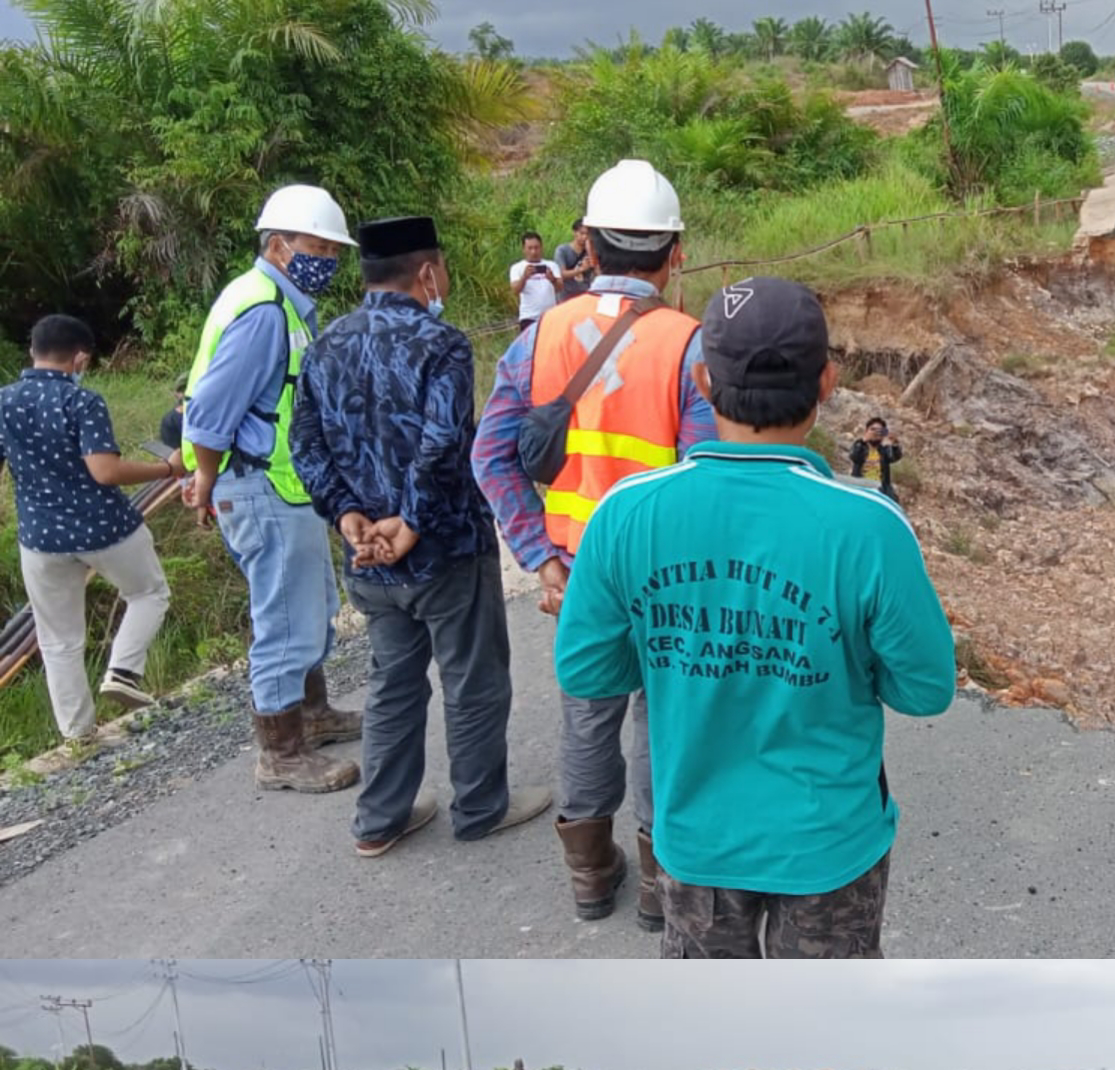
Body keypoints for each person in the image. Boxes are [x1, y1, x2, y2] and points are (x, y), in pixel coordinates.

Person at [552, 278, 956, 959]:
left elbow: (588, 669)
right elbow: (926, 688)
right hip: (830, 844)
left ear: (705, 382)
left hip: (696, 841)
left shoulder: (626, 512)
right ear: (826, 382)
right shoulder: (868, 526)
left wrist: (680, 647)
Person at [472, 159, 716, 930]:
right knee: (658, 718)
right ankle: (654, 883)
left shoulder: (538, 338)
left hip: (578, 572)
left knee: (587, 712)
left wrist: (540, 554)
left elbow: (492, 453)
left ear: (588, 245)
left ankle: (588, 873)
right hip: (667, 577)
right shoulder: (690, 345)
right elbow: (707, 478)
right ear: (675, 253)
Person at [291, 215, 549, 858]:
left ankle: (381, 817)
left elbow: (307, 446)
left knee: (392, 680)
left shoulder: (324, 346)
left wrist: (348, 516)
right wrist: (410, 521)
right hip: (445, 547)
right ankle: (481, 805)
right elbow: (443, 443)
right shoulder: (443, 343)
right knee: (473, 678)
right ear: (428, 271)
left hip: (368, 557)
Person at [182, 183, 362, 796]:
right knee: (285, 617)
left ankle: (311, 714)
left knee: (309, 604)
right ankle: (280, 753)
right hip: (258, 484)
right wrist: (205, 478)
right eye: (318, 246)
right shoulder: (263, 313)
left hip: (283, 484)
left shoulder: (277, 303)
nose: (329, 260)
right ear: (280, 245)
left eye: (335, 250)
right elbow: (207, 410)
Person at [0, 314, 180, 741]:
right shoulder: (83, 402)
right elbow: (104, 470)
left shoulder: (3, 401)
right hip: (104, 527)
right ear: (80, 358)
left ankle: (78, 734)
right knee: (149, 592)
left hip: (40, 539)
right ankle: (122, 671)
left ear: (33, 351)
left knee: (58, 638)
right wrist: (165, 468)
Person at [510, 231, 561, 334]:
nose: (533, 251)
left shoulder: (552, 265)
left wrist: (552, 279)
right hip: (529, 316)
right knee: (530, 348)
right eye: (530, 248)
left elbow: (560, 287)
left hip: (550, 316)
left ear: (541, 248)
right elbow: (515, 290)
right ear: (524, 249)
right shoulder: (517, 268)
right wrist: (524, 277)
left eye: (536, 247)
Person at [848, 416, 903, 500]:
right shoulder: (860, 446)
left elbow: (895, 457)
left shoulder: (885, 451)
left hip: (880, 491)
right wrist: (864, 440)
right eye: (872, 429)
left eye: (879, 431)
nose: (875, 433)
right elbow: (854, 456)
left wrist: (894, 443)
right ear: (866, 431)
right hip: (860, 489)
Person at [555, 219, 594, 299]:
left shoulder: (591, 251)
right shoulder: (562, 250)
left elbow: (598, 272)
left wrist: (591, 252)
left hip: (585, 295)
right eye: (582, 233)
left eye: (587, 234)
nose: (585, 237)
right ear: (574, 233)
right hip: (566, 296)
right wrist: (581, 269)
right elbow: (561, 274)